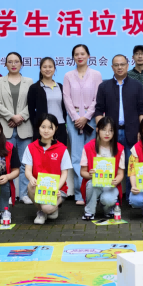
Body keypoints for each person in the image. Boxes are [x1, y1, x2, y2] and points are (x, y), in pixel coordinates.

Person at [63, 44, 102, 205]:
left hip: (90, 119)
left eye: (82, 53)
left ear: (88, 55)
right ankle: (80, 194)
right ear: (73, 57)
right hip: (73, 119)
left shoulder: (96, 74)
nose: (80, 56)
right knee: (76, 156)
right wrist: (75, 117)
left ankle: (93, 192)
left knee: (92, 155)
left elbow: (97, 98)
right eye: (76, 54)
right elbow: (66, 98)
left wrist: (86, 117)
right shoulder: (68, 75)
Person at [94, 55, 143, 172]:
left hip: (133, 132)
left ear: (127, 66)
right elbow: (98, 110)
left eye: (122, 64)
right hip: (111, 132)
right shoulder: (103, 86)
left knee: (131, 166)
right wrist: (101, 129)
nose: (119, 67)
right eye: (116, 65)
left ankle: (129, 186)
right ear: (112, 67)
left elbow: (142, 110)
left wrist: (141, 130)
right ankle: (112, 185)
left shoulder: (137, 85)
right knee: (110, 164)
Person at [0, 52, 34, 205]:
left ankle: (23, 194)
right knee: (6, 162)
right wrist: (11, 117)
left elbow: (31, 104)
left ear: (21, 64)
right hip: (5, 126)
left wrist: (20, 117)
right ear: (5, 64)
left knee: (25, 163)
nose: (13, 64)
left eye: (16, 61)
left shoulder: (29, 81)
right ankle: (8, 194)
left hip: (24, 126)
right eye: (10, 61)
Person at [24, 113, 71, 225]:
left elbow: (64, 174)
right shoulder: (31, 147)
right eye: (43, 127)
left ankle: (51, 208)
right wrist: (31, 178)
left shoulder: (62, 149)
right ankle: (41, 211)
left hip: (58, 189)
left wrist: (55, 188)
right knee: (30, 186)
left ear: (56, 129)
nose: (46, 131)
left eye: (50, 127)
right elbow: (27, 170)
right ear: (38, 128)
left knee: (48, 208)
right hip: (39, 187)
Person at [80, 116, 126, 221]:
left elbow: (120, 173)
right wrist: (89, 174)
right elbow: (82, 172)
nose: (107, 133)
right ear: (97, 130)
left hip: (110, 184)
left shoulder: (119, 148)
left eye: (110, 130)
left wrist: (116, 180)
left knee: (108, 199)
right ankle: (89, 211)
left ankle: (108, 210)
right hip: (95, 183)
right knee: (91, 184)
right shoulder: (88, 147)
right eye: (104, 130)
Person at [28, 57, 68, 145]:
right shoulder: (34, 88)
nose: (47, 69)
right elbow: (31, 111)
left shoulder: (60, 86)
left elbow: (64, 108)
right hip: (43, 128)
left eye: (50, 67)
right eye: (44, 67)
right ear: (40, 69)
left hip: (60, 126)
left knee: (60, 152)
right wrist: (38, 126)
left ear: (54, 69)